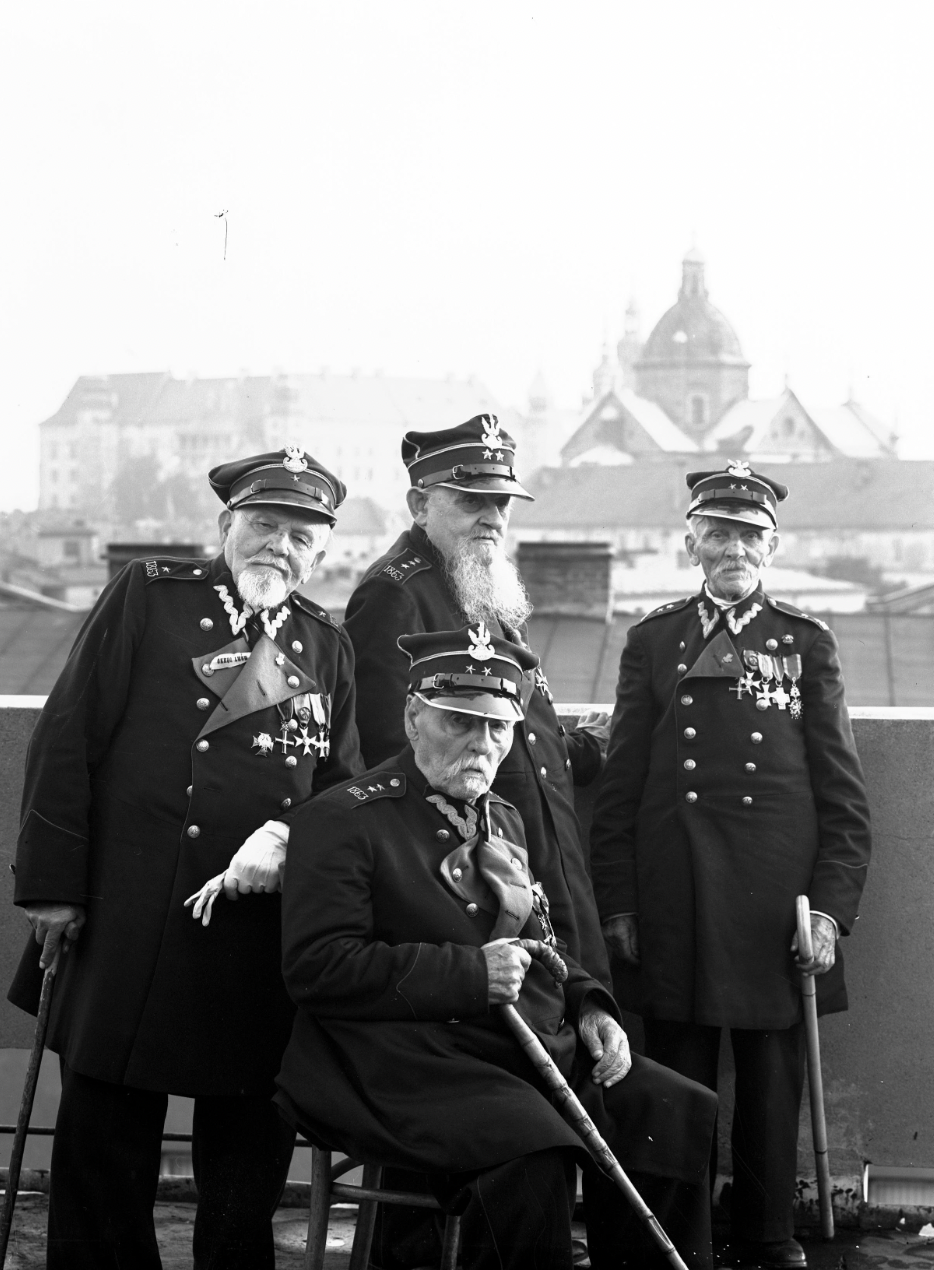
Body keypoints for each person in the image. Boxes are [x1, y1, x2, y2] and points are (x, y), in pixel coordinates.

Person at [8, 446, 363, 1270]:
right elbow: (67, 738)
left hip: (250, 938)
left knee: (245, 1160)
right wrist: (52, 890)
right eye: (264, 524)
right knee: (104, 1143)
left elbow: (341, 792)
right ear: (225, 526)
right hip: (130, 915)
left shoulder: (327, 647)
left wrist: (292, 837)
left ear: (323, 551)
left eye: (300, 534)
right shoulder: (152, 598)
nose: (279, 544)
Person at [276, 624, 718, 1270]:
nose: (482, 746)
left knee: (670, 1107)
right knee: (531, 1153)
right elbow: (316, 968)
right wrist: (468, 976)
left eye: (498, 728)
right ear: (413, 716)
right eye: (460, 722)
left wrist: (590, 1005)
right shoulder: (343, 819)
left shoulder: (502, 817)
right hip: (395, 1060)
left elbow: (540, 939)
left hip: (506, 1049)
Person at [589, 461, 872, 1270]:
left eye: (748, 534)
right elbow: (622, 785)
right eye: (717, 532)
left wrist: (827, 913)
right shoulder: (653, 640)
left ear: (771, 546)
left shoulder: (807, 644)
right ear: (691, 543)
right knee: (674, 1076)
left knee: (770, 1083)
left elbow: (844, 800)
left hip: (772, 907)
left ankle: (766, 1235)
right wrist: (619, 901)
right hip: (673, 895)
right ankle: (682, 1239)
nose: (732, 547)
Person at [343, 412, 611, 987]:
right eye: (470, 500)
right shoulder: (396, 593)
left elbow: (524, 733)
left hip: (546, 853)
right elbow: (396, 752)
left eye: (502, 503)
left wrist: (586, 747)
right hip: (475, 871)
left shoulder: (481, 581)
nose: (491, 517)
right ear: (420, 504)